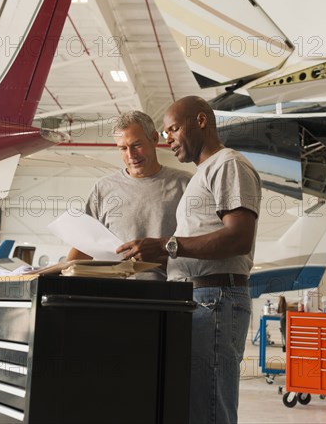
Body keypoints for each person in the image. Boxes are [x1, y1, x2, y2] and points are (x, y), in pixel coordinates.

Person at [117, 96, 262, 424]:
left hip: (215, 299)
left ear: (200, 121)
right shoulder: (202, 174)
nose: (168, 138)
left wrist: (168, 246)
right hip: (196, 299)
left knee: (208, 407)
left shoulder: (228, 164)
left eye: (173, 129)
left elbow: (239, 237)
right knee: (195, 405)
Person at [67, 110, 192, 280]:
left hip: (170, 292)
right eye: (123, 148)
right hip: (118, 294)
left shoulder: (185, 184)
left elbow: (199, 246)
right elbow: (85, 245)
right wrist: (60, 277)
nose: (131, 155)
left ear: (154, 139)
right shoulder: (103, 188)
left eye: (137, 145)